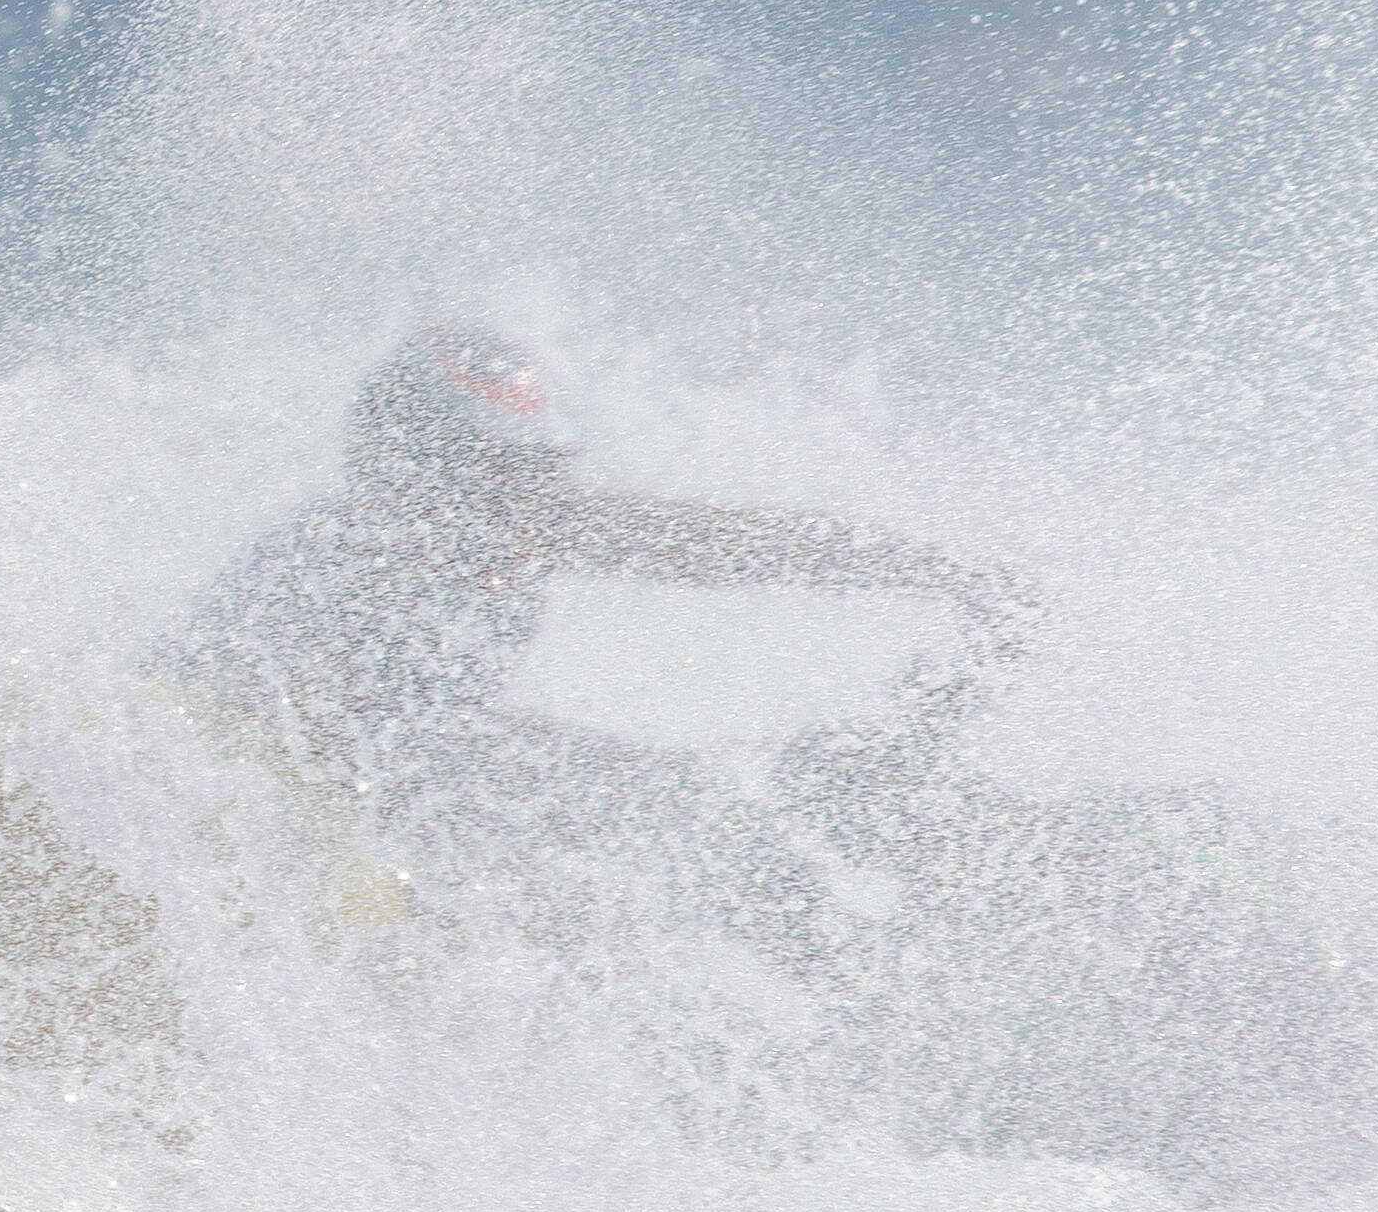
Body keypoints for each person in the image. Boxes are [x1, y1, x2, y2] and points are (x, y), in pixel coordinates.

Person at [169, 322, 1028, 954]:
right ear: (402, 471)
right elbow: (351, 756)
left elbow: (716, 543)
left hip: (363, 812)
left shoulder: (512, 525)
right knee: (596, 845)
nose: (527, 510)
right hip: (232, 827)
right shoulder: (334, 565)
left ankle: (841, 982)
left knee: (667, 818)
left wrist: (936, 572)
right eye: (496, 480)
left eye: (539, 475)